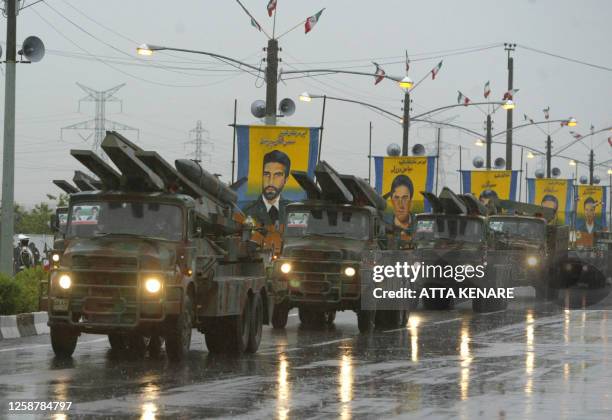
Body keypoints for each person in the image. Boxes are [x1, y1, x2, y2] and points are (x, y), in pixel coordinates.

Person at [243, 150, 291, 226]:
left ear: (285, 180)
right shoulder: (247, 211)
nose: (270, 182)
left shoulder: (291, 211)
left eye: (277, 175)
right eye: (266, 174)